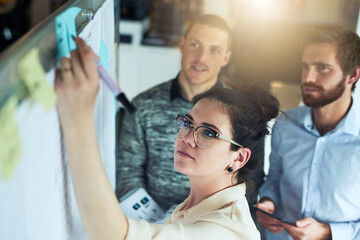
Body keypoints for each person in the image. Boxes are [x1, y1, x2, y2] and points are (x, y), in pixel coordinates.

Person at [55, 37, 280, 240]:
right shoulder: (195, 205)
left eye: (209, 133)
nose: (188, 138)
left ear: (239, 158)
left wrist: (78, 119)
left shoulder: (227, 231)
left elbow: (117, 237)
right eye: (188, 123)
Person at [116, 14, 265, 211]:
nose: (201, 58)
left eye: (214, 50)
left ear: (226, 58)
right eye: (195, 45)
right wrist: (161, 225)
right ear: (182, 45)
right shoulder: (142, 105)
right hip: (152, 223)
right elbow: (128, 173)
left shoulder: (242, 115)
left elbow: (249, 181)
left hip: (211, 222)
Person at [256, 25, 360, 240]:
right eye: (305, 66)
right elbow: (274, 179)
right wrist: (268, 202)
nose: (308, 77)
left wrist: (328, 233)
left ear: (353, 75)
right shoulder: (285, 124)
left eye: (323, 67)